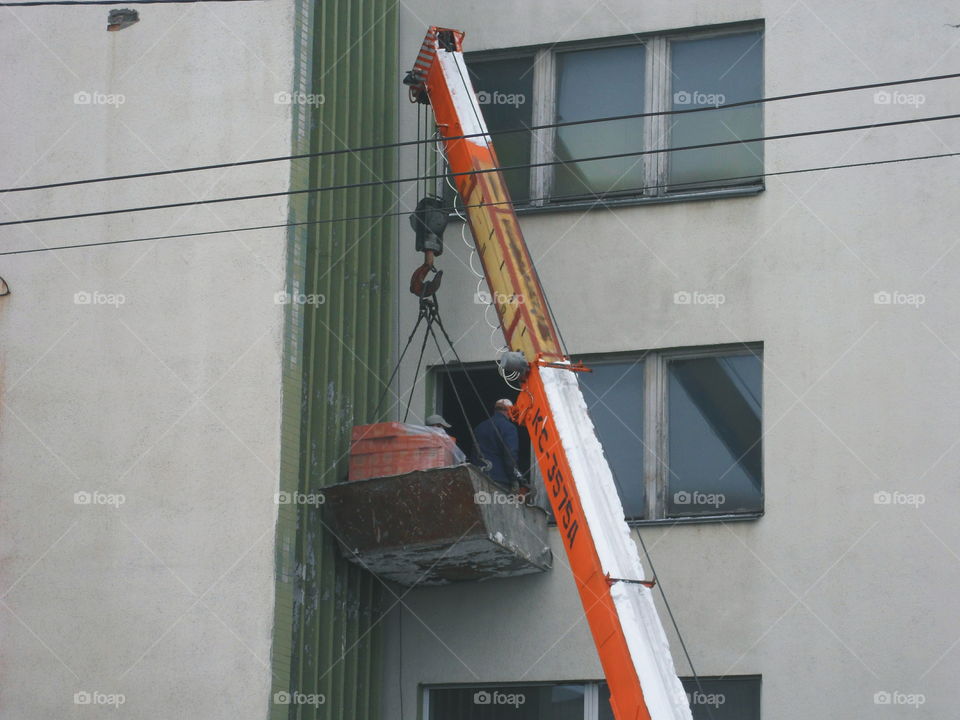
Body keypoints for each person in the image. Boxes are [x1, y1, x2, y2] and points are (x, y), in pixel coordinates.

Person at [472, 399, 522, 490]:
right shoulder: (509, 428)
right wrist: (514, 479)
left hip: (478, 478)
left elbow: (475, 454)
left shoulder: (479, 427)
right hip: (499, 480)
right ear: (510, 410)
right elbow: (510, 455)